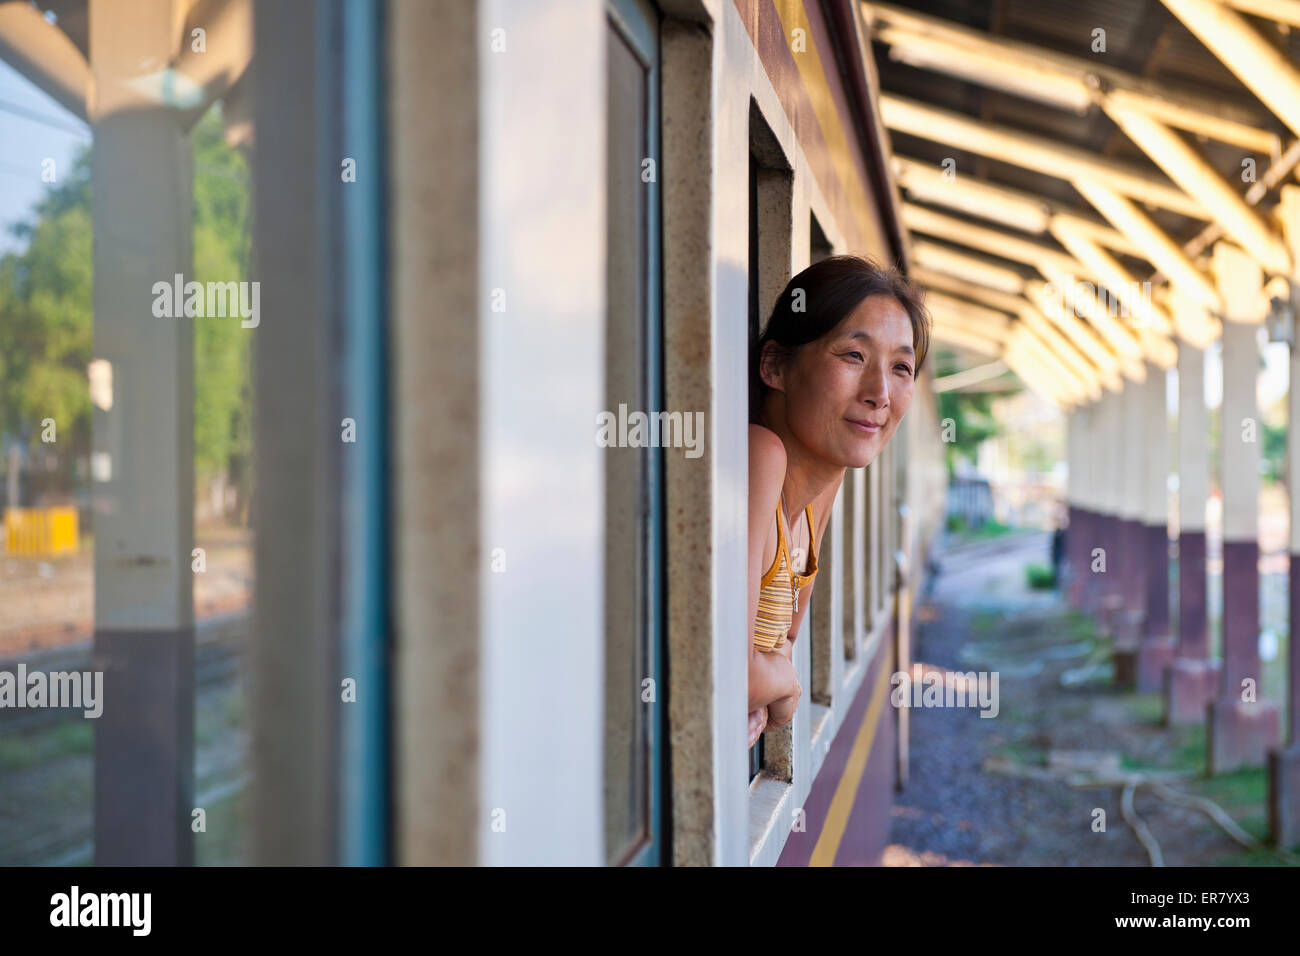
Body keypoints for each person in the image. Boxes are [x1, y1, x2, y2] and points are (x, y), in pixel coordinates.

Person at [747, 255, 930, 747]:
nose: (880, 393)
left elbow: (781, 649)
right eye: (853, 355)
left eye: (901, 368)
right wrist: (783, 686)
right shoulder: (757, 457)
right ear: (775, 365)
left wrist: (774, 677)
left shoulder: (814, 502)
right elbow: (732, 675)